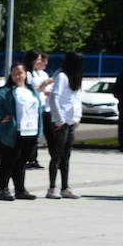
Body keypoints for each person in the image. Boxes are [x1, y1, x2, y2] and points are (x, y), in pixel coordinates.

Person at [0, 63, 41, 201]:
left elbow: (38, 108)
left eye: (20, 73)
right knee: (7, 162)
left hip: (30, 131)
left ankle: (20, 190)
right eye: (14, 73)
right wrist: (0, 116)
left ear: (25, 74)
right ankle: (3, 190)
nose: (18, 76)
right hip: (13, 132)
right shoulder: (7, 90)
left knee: (22, 162)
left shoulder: (31, 90)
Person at [45, 51, 83, 199]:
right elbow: (54, 98)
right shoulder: (61, 76)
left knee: (66, 156)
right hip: (61, 122)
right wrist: (58, 119)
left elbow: (76, 99)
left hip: (71, 121)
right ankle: (52, 188)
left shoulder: (76, 78)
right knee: (56, 156)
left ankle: (65, 187)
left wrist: (78, 117)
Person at [22, 49, 52, 169]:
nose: (40, 61)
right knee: (32, 133)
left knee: (42, 133)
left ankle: (34, 158)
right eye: (38, 59)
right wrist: (44, 84)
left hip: (42, 105)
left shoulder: (39, 73)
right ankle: (29, 158)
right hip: (32, 107)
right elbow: (33, 89)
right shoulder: (27, 74)